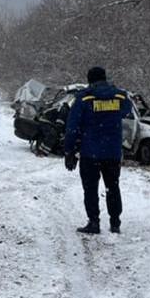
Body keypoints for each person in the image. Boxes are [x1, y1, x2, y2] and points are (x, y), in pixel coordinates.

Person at [63, 66, 133, 234]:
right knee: (113, 187)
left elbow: (72, 127)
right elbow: (127, 110)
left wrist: (69, 151)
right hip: (112, 152)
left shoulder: (84, 98)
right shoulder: (119, 96)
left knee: (90, 188)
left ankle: (94, 222)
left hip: (90, 152)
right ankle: (115, 223)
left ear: (89, 80)